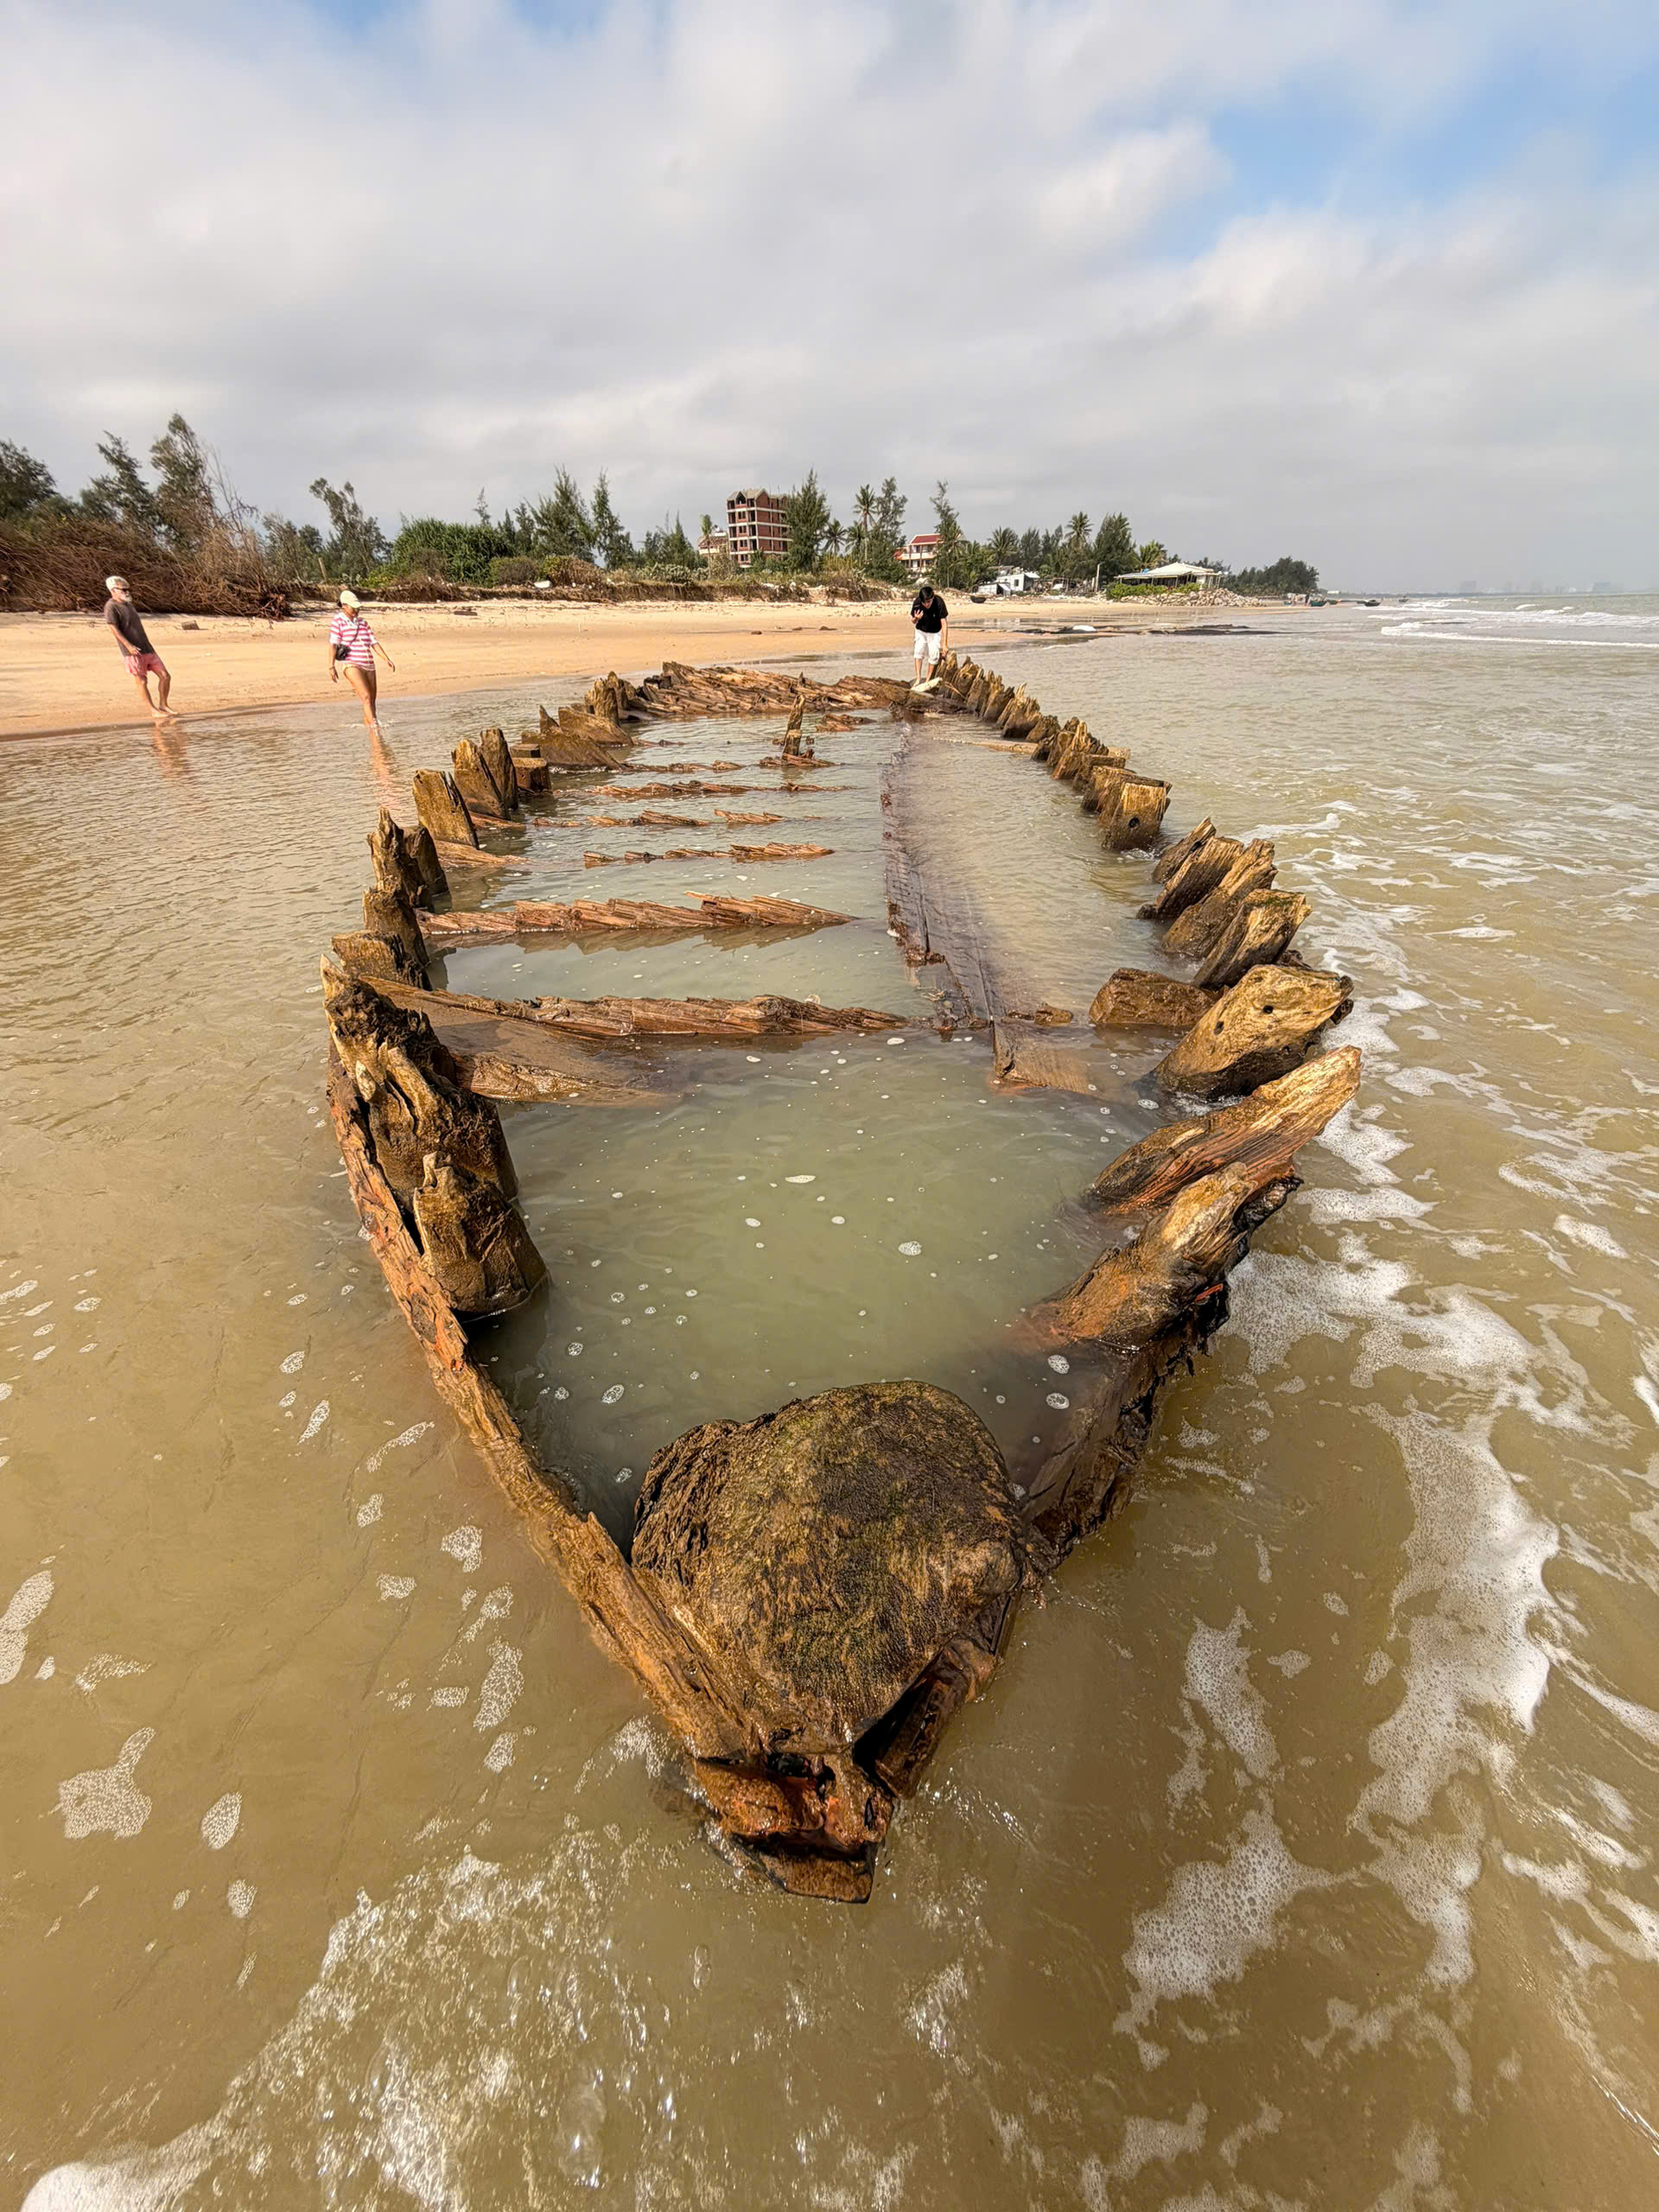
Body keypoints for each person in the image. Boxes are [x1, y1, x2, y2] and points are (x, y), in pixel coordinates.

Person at [103, 575, 174, 721]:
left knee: (165, 676)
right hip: (131, 651)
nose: (126, 592)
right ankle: (153, 710)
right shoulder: (111, 606)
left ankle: (163, 705)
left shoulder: (129, 605)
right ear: (113, 590)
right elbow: (114, 629)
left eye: (127, 589)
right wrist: (128, 646)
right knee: (141, 681)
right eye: (123, 589)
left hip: (147, 647)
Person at [327, 589, 395, 729]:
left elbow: (373, 642)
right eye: (353, 607)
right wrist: (331, 666)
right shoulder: (338, 621)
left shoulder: (363, 623)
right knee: (365, 696)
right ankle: (376, 728)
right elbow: (333, 644)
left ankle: (371, 732)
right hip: (352, 664)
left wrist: (386, 659)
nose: (356, 610)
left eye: (358, 607)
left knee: (371, 700)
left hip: (369, 664)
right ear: (344, 606)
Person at [910, 581, 949, 687]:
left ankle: (927, 680)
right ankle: (918, 678)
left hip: (935, 632)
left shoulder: (939, 602)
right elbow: (913, 621)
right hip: (921, 631)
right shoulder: (917, 603)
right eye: (924, 602)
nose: (926, 604)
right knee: (918, 652)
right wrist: (916, 618)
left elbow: (944, 624)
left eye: (929, 602)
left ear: (933, 597)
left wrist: (944, 644)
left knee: (934, 655)